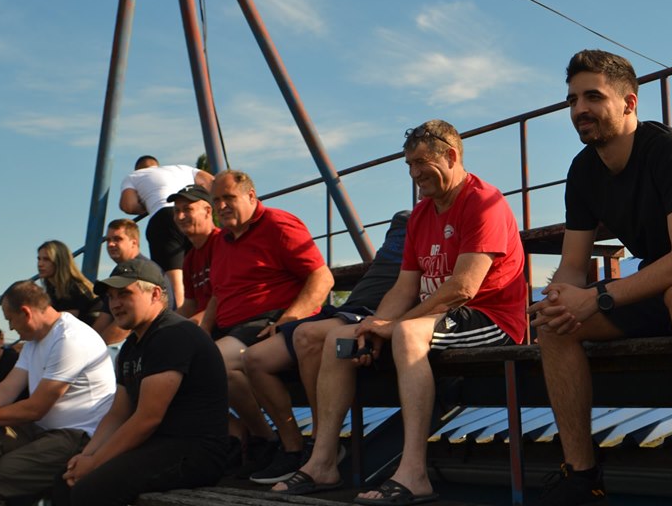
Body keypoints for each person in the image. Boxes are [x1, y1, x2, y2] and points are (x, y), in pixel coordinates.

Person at [528, 50, 672, 506]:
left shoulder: (670, 149)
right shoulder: (583, 170)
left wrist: (597, 298)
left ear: (629, 103)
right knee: (554, 325)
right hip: (662, 282)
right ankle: (581, 475)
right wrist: (560, 295)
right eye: (572, 100)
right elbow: (573, 265)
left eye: (593, 97)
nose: (579, 109)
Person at [277, 120, 527, 504]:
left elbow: (464, 288)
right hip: (436, 318)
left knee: (407, 333)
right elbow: (404, 287)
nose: (414, 174)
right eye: (409, 165)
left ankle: (413, 473)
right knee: (341, 337)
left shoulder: (483, 201)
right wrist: (375, 326)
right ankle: (323, 461)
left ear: (451, 156)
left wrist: (396, 325)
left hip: (490, 318)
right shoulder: (421, 214)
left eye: (421, 163)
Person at [243, 209, 409, 484]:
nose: (420, 188)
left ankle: (322, 444)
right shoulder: (404, 219)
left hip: (374, 312)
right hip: (350, 308)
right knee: (254, 358)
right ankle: (293, 447)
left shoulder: (448, 223)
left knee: (307, 336)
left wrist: (384, 322)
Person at [54, 258, 229, 506]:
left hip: (194, 451)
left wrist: (95, 463)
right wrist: (87, 455)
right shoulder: (131, 347)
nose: (115, 304)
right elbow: (117, 415)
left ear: (155, 294)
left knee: (89, 490)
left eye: (124, 294)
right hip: (159, 445)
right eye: (111, 297)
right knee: (65, 479)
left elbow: (148, 418)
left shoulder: (173, 334)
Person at [210, 169, 335, 476]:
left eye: (229, 197)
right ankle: (263, 440)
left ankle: (291, 446)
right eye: (216, 200)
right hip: (232, 328)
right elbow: (217, 294)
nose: (221, 206)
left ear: (251, 196)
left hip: (267, 321)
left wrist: (288, 320)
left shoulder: (278, 224)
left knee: (209, 363)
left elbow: (322, 278)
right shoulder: (223, 240)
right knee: (206, 369)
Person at [0, 281, 116, 505]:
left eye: (10, 319)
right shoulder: (34, 341)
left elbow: (36, 408)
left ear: (26, 312)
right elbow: (9, 387)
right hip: (41, 430)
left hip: (76, 437)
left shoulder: (70, 339)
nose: (10, 328)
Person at [120, 155, 214, 308]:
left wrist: (147, 203)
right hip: (192, 214)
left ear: (138, 168)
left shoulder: (134, 176)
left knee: (174, 278)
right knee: (200, 264)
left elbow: (128, 205)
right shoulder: (182, 168)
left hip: (161, 217)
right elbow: (211, 182)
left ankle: (181, 312)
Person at [93, 219, 170, 344]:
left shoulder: (148, 274)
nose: (110, 244)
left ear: (134, 243)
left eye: (117, 239)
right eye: (108, 240)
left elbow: (127, 324)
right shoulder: (116, 276)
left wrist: (94, 349)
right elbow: (104, 319)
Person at [168, 184, 220, 329]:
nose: (180, 216)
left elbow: (225, 296)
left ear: (208, 211)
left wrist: (189, 326)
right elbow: (189, 305)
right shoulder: (189, 259)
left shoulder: (223, 243)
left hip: (221, 325)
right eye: (176, 211)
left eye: (187, 209)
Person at [37, 240, 102, 324]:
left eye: (46, 259)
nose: (40, 264)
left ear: (60, 261)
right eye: (39, 259)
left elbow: (66, 322)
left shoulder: (75, 289)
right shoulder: (52, 289)